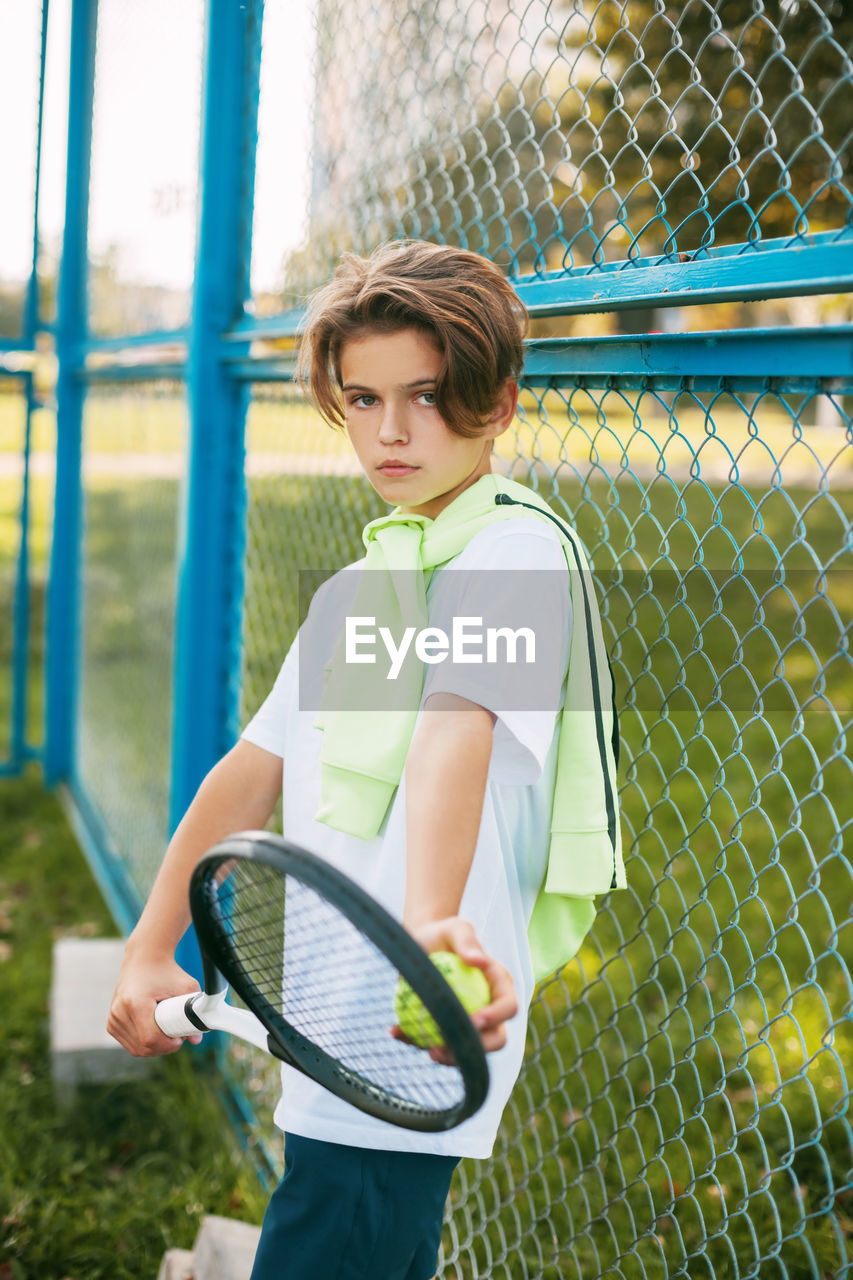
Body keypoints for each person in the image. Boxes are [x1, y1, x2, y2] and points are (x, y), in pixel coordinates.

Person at [107, 240, 623, 1280]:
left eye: (427, 395)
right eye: (362, 399)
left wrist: (430, 932)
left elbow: (451, 732)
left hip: (408, 1029)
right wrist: (150, 943)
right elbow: (250, 770)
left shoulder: (513, 553)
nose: (390, 430)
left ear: (500, 399)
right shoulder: (359, 586)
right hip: (330, 1012)